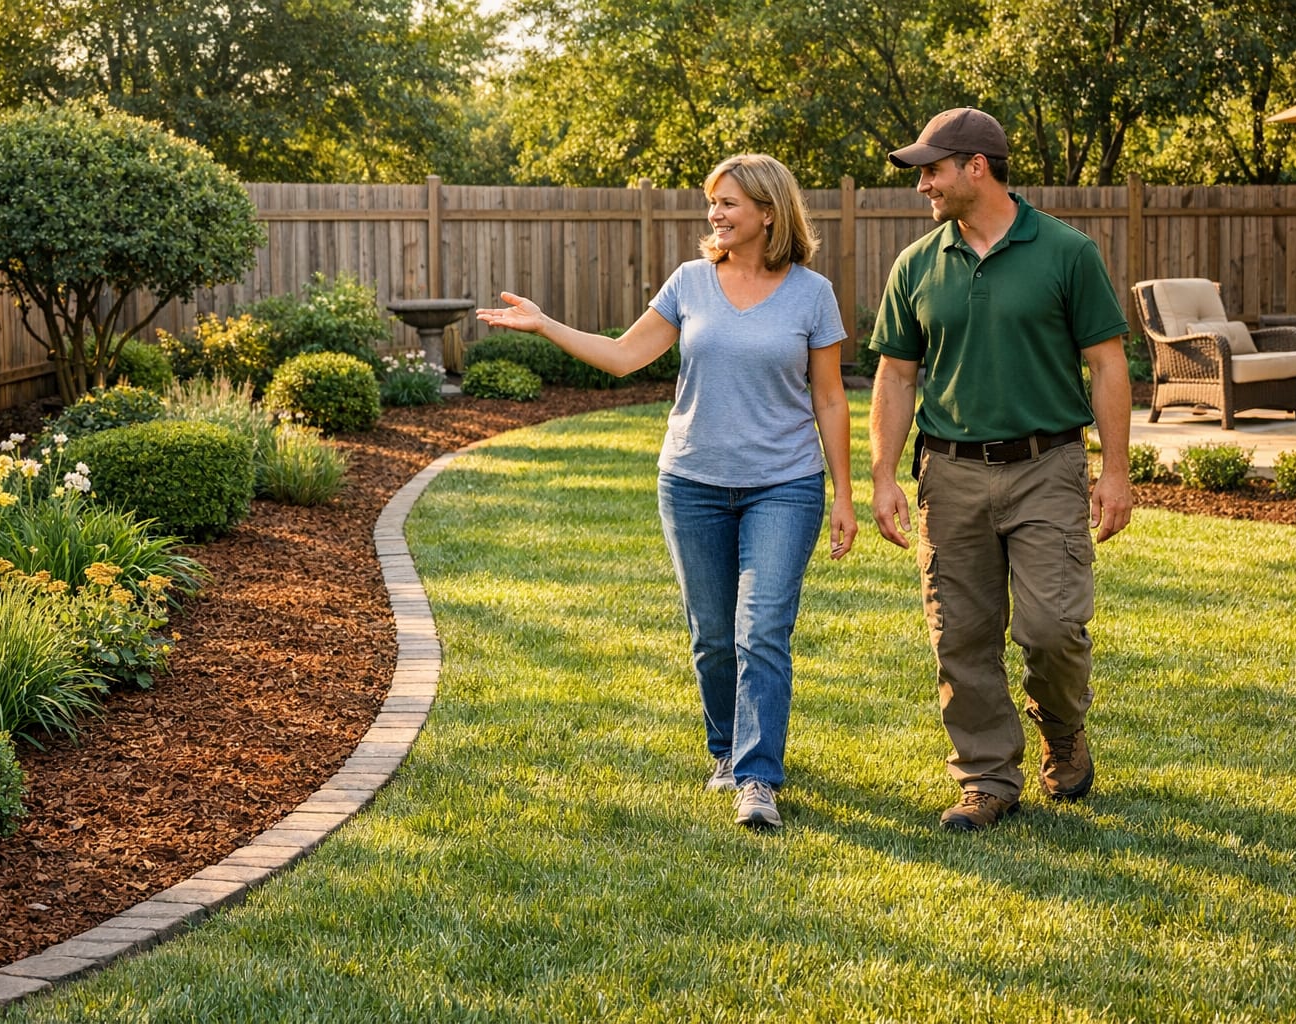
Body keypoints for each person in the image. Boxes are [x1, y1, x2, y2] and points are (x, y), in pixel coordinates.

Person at [477, 153, 856, 830]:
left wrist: (846, 495)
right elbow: (624, 355)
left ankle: (757, 778)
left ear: (768, 211)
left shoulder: (811, 293)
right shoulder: (689, 283)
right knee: (712, 636)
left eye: (729, 202)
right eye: (713, 202)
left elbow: (829, 400)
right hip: (693, 485)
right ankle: (725, 749)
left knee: (762, 629)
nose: (715, 214)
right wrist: (546, 325)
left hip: (785, 484)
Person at [867, 108, 1133, 832]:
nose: (924, 183)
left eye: (933, 168)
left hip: (1046, 464)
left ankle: (1061, 726)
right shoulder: (917, 264)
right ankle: (987, 778)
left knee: (1053, 627)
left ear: (975, 166)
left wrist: (1116, 471)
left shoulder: (1065, 252)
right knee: (960, 634)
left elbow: (1107, 362)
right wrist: (883, 476)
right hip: (949, 473)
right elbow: (895, 375)